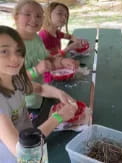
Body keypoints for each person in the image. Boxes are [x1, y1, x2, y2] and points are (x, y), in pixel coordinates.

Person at [0, 25, 77, 163]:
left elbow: (39, 89)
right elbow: (22, 149)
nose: (15, 58)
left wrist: (59, 93)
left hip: (35, 145)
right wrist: (58, 118)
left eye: (19, 51)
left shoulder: (14, 79)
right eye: (4, 51)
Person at [13, 0, 79, 109]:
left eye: (39, 16)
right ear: (16, 17)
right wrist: (36, 70)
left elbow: (47, 59)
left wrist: (62, 62)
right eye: (28, 14)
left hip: (41, 94)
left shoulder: (36, 38)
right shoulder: (10, 44)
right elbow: (13, 80)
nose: (34, 19)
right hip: (23, 106)